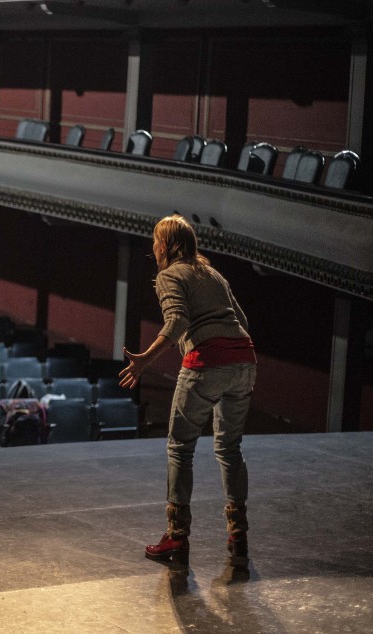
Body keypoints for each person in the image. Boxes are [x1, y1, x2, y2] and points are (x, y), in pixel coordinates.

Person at [119, 213, 257, 568]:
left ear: (164, 245)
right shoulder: (213, 274)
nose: (153, 246)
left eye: (154, 241)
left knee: (180, 447)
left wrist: (145, 360)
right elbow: (242, 321)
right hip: (244, 361)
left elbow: (177, 320)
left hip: (207, 361)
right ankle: (238, 535)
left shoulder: (169, 275)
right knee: (229, 447)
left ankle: (177, 538)